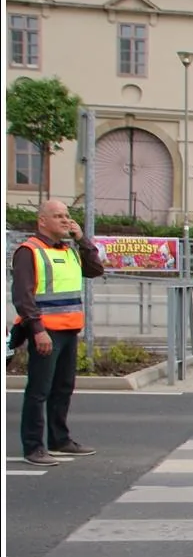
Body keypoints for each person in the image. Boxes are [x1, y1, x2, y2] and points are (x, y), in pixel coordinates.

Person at [11, 199, 106, 467]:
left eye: (67, 216)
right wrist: (38, 330)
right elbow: (23, 296)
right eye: (59, 216)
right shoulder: (29, 251)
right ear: (42, 221)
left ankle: (59, 440)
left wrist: (82, 240)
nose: (66, 220)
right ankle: (33, 447)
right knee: (39, 390)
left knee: (63, 389)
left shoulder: (69, 250)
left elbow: (95, 270)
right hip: (46, 332)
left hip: (69, 330)